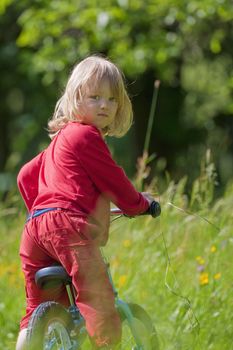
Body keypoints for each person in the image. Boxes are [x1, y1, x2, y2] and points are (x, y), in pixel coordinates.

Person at [16, 55, 154, 349]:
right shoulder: (85, 136)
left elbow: (25, 175)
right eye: (94, 97)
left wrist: (41, 211)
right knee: (98, 299)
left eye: (111, 99)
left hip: (34, 228)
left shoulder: (59, 140)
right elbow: (115, 182)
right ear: (75, 98)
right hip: (66, 226)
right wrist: (141, 204)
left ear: (119, 105)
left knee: (38, 311)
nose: (104, 105)